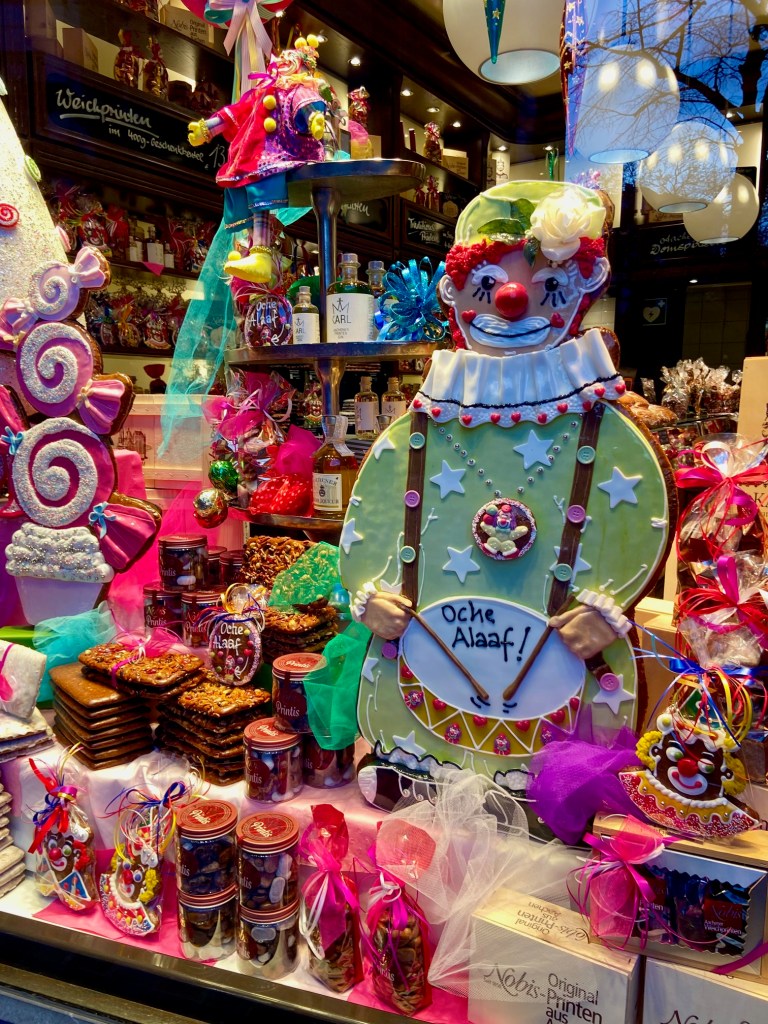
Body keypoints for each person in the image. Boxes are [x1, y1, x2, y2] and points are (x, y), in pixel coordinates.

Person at [340, 180, 675, 794]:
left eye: (547, 286)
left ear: (579, 292)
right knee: (414, 750)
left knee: (562, 773)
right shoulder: (425, 421)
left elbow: (642, 514)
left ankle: (549, 796)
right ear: (457, 294)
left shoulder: (604, 425)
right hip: (426, 668)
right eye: (488, 284)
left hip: (567, 667)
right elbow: (372, 514)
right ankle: (413, 773)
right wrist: (368, 597)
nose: (514, 301)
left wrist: (611, 606)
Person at [188, 36, 326, 283]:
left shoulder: (297, 90)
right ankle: (251, 250)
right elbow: (237, 111)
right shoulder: (261, 91)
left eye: (290, 60)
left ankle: (261, 254)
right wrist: (207, 128)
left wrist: (314, 120)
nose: (283, 63)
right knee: (238, 185)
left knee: (262, 186)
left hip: (285, 151)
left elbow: (307, 106)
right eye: (281, 60)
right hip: (251, 154)